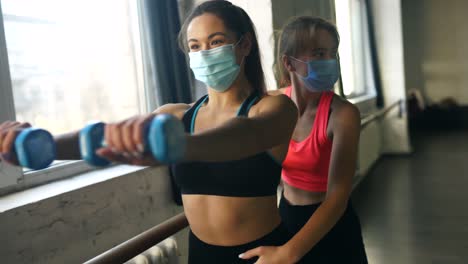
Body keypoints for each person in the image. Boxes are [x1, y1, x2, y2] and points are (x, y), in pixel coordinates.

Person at [0, 1, 297, 263]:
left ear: (244, 45)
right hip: (202, 253)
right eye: (195, 46)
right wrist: (45, 145)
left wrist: (179, 145)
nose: (204, 53)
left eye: (215, 42)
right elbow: (112, 136)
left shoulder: (274, 109)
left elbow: (244, 135)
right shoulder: (176, 115)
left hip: (262, 253)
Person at [240, 16, 368, 263]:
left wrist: (289, 252)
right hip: (287, 216)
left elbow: (337, 198)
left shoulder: (343, 114)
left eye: (333, 53)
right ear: (289, 63)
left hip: (333, 225)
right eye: (319, 53)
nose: (330, 61)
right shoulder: (272, 105)